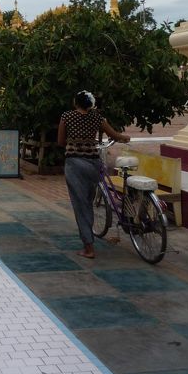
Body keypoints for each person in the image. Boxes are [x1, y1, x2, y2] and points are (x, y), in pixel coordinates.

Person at [57, 90, 130, 259]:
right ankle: (89, 237)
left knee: (80, 205)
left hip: (75, 164)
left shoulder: (66, 116)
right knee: (88, 201)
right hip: (93, 164)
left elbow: (60, 141)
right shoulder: (97, 117)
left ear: (76, 103)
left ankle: (88, 247)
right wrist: (124, 137)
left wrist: (74, 142)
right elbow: (114, 135)